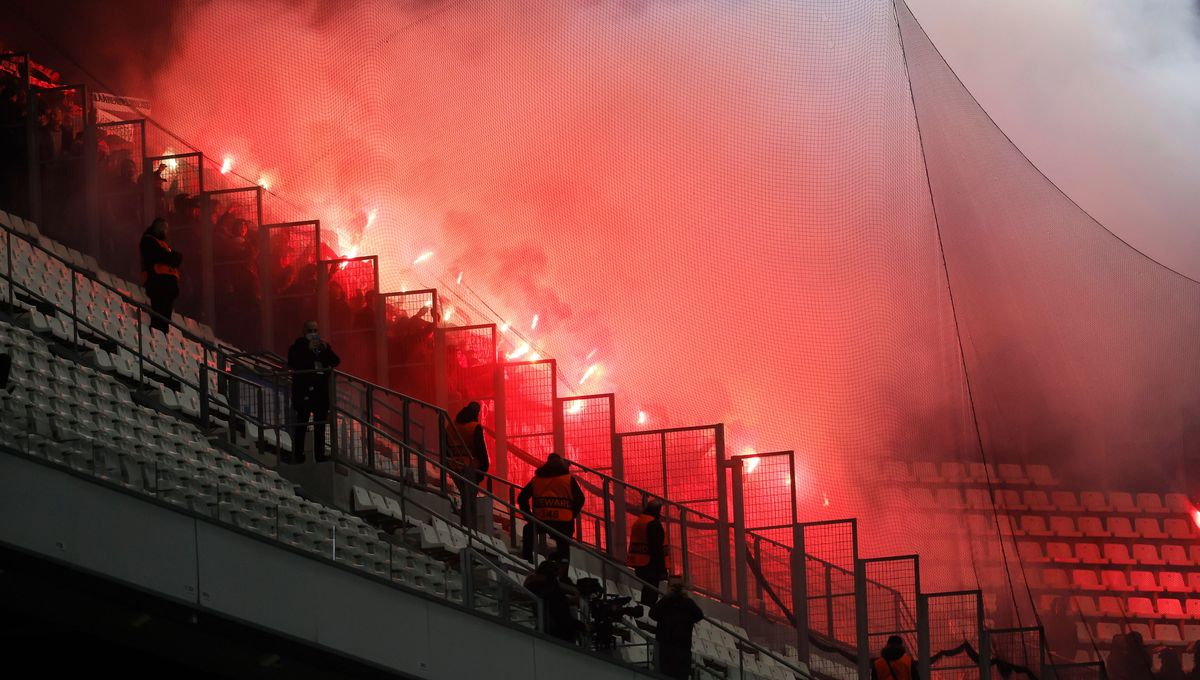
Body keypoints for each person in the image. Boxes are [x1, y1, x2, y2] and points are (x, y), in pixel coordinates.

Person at [286, 320, 340, 464]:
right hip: (303, 391)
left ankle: (320, 456)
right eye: (310, 330)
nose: (313, 334)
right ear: (304, 332)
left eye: (315, 330)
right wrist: (307, 349)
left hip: (320, 393)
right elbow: (293, 362)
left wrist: (327, 348)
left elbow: (336, 361)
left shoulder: (322, 348)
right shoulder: (298, 346)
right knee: (302, 424)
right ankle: (298, 455)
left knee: (320, 426)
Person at [518, 453, 585, 563]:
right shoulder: (568, 480)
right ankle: (563, 574)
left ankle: (528, 561)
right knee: (564, 547)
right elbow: (580, 499)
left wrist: (529, 517)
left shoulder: (537, 480)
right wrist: (571, 514)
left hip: (541, 520)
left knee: (528, 530)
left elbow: (522, 498)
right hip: (563, 523)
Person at [649, 576, 704, 679]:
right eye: (673, 586)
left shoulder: (687, 603)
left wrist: (685, 598)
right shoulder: (664, 603)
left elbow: (699, 615)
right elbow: (652, 614)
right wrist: (667, 597)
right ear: (668, 587)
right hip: (666, 651)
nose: (676, 588)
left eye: (679, 586)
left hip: (683, 651)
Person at [447, 402, 490, 528]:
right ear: (477, 413)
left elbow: (444, 447)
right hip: (470, 469)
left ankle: (466, 528)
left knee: (465, 498)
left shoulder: (450, 426)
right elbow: (481, 451)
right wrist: (482, 472)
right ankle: (469, 531)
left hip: (454, 467)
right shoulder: (474, 427)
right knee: (469, 502)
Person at [523, 559, 584, 643]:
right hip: (559, 634)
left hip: (546, 628)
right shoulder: (552, 591)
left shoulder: (534, 586)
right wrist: (582, 626)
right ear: (553, 574)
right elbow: (563, 617)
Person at [139, 217, 182, 335]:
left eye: (166, 228)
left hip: (168, 285)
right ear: (155, 227)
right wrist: (171, 257)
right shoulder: (148, 241)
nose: (165, 230)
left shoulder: (163, 243)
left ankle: (162, 336)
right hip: (157, 283)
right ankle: (156, 336)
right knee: (159, 313)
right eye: (163, 227)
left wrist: (171, 257)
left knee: (166, 316)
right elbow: (162, 256)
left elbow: (177, 258)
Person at [627, 499, 671, 607]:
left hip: (640, 562)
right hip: (651, 563)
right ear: (657, 510)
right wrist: (662, 569)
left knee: (647, 587)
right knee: (651, 590)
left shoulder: (640, 521)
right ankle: (647, 610)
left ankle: (645, 607)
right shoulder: (653, 524)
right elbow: (656, 548)